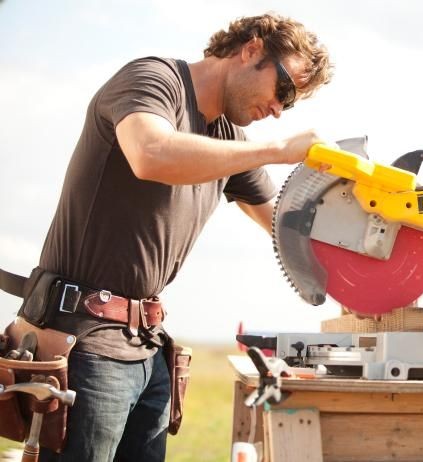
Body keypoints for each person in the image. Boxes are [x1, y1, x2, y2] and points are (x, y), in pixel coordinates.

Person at [29, 12, 333, 462]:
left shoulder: (227, 137)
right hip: (86, 342)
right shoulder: (153, 80)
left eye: (288, 106)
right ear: (251, 49)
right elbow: (150, 153)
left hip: (147, 352)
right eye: (283, 90)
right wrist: (277, 151)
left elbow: (291, 227)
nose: (277, 109)